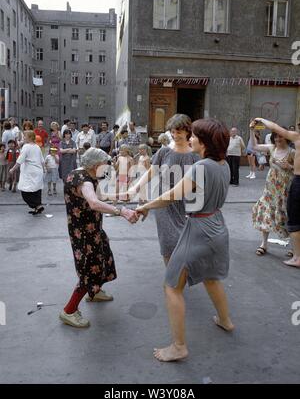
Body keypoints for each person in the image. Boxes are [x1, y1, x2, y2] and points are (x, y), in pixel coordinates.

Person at [136, 118, 234, 362]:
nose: (190, 138)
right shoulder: (223, 164)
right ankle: (225, 321)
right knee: (211, 277)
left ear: (204, 141)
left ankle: (179, 346)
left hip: (199, 228)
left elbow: (170, 195)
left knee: (171, 286)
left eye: (194, 135)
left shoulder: (201, 166)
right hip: (217, 226)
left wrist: (144, 207)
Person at [60, 148, 139, 328]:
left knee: (104, 257)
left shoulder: (80, 173)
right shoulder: (84, 181)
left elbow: (99, 197)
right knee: (89, 269)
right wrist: (122, 211)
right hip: (85, 234)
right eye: (104, 166)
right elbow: (94, 203)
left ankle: (94, 292)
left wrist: (121, 196)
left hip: (92, 230)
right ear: (96, 165)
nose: (106, 169)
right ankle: (69, 311)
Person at [129, 114, 200, 266]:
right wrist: (136, 186)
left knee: (184, 241)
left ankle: (181, 272)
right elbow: (151, 172)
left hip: (185, 204)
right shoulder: (164, 152)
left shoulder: (195, 156)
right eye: (172, 132)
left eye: (179, 132)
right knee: (168, 241)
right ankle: (172, 276)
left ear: (188, 132)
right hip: (163, 204)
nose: (175, 135)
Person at [253, 118, 300, 268]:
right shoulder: (272, 148)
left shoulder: (293, 150)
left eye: (280, 136)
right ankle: (264, 244)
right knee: (266, 213)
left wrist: (289, 166)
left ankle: (295, 250)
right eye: (276, 137)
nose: (278, 138)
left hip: (286, 189)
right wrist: (252, 130)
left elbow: (297, 170)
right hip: (270, 189)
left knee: (288, 217)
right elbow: (254, 147)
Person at [9, 131, 45, 216]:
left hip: (29, 172)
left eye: (24, 137)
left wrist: (13, 169)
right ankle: (37, 207)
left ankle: (37, 205)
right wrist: (44, 169)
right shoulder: (37, 146)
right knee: (36, 190)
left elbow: (20, 160)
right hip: (38, 171)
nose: (23, 138)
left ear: (29, 137)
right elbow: (42, 159)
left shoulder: (26, 147)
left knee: (25, 192)